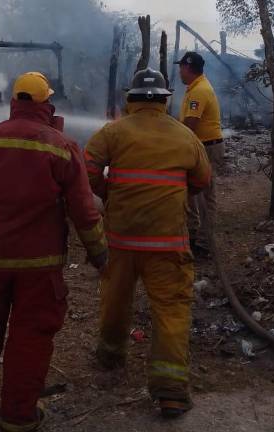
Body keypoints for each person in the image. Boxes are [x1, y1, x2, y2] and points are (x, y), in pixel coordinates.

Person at [0, 71, 108, 432]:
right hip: (39, 267)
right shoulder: (62, 147)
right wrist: (99, 253)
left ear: (14, 104)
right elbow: (84, 209)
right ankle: (18, 419)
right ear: (46, 105)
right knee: (30, 339)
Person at [84, 68, 212, 419]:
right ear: (164, 100)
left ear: (132, 98)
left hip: (122, 240)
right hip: (168, 243)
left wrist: (109, 192)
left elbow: (89, 168)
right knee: (170, 310)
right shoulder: (186, 137)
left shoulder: (112, 132)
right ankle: (170, 391)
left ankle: (110, 355)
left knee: (115, 298)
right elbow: (202, 179)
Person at [175, 51, 224, 255]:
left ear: (188, 67)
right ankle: (194, 235)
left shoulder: (199, 91)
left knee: (205, 194)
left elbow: (191, 124)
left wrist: (172, 138)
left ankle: (205, 243)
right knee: (192, 193)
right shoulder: (194, 88)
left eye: (181, 67)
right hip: (200, 146)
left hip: (207, 147)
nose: (179, 71)